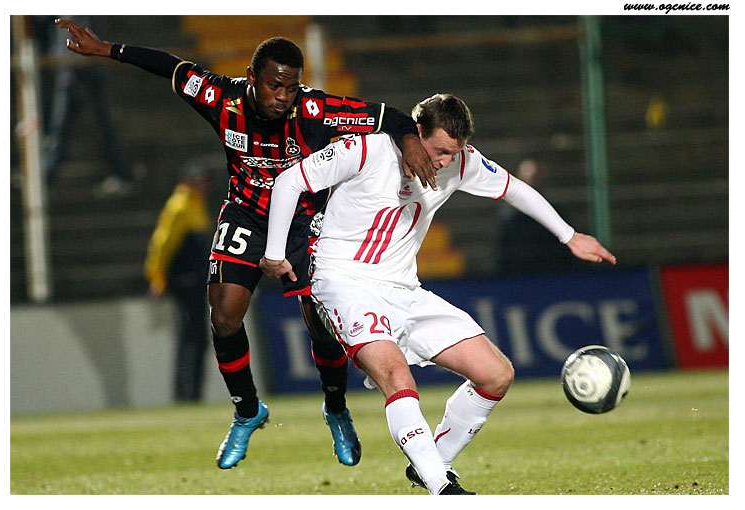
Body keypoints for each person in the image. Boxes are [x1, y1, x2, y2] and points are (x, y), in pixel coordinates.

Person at [55, 18, 437, 470]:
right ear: (252, 77)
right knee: (223, 315)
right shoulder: (221, 98)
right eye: (275, 86)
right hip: (246, 216)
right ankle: (247, 410)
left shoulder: (315, 110)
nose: (283, 97)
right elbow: (170, 66)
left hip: (305, 222)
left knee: (321, 323)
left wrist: (409, 139)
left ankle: (336, 408)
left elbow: (387, 116)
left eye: (291, 88)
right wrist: (107, 50)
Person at [260, 94, 616, 494]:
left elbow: (514, 189)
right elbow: (289, 182)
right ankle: (442, 489)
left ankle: (434, 463)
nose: (446, 162)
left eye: (454, 153)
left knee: (496, 374)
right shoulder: (368, 148)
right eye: (440, 150)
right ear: (416, 133)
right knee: (397, 374)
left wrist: (569, 236)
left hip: (404, 289)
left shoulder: (460, 163)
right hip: (343, 283)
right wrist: (274, 254)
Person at [34, 15, 136, 194]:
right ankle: (45, 177)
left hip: (77, 70)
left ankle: (45, 178)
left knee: (66, 127)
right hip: (78, 69)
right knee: (79, 127)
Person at [145, 163, 211, 403]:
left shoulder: (195, 205)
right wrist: (157, 277)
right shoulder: (180, 205)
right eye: (200, 182)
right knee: (191, 336)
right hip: (185, 279)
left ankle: (192, 393)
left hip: (195, 280)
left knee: (196, 336)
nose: (204, 186)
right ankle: (187, 393)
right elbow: (162, 243)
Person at [495, 159, 578, 275]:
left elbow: (566, 253)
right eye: (527, 180)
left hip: (554, 276)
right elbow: (503, 256)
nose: (531, 186)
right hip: (520, 277)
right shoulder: (510, 221)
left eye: (535, 180)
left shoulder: (556, 215)